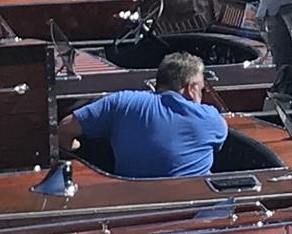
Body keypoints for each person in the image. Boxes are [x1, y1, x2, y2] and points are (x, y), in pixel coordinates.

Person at [53, 51, 228, 179]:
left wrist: (74, 146)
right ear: (191, 89)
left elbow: (64, 128)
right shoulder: (212, 119)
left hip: (134, 204)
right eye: (202, 88)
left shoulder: (121, 102)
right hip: (194, 210)